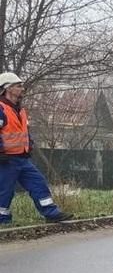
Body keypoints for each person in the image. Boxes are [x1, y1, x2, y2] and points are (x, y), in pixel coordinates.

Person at [0, 73, 72, 225]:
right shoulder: (1, 109)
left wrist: (29, 144)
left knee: (38, 183)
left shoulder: (20, 110)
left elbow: (24, 131)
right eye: (18, 86)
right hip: (5, 159)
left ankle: (52, 213)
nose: (22, 89)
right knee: (4, 191)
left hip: (22, 158)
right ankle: (2, 220)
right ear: (8, 88)